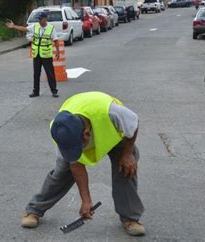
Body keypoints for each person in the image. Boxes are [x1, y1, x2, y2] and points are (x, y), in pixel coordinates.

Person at [21, 91, 146, 236]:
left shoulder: (112, 112)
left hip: (115, 136)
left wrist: (128, 153)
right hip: (78, 130)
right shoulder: (60, 130)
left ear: (86, 134)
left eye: (77, 148)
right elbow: (76, 165)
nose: (76, 153)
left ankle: (130, 218)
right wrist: (86, 200)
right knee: (62, 171)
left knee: (126, 168)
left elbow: (134, 123)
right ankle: (34, 210)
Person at [5, 12, 60, 98]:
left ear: (45, 19)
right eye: (38, 19)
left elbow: (56, 40)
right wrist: (14, 26)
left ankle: (54, 91)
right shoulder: (35, 26)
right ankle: (36, 92)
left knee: (50, 74)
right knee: (36, 74)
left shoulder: (51, 28)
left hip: (46, 55)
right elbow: (24, 29)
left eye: (41, 19)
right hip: (37, 55)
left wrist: (58, 52)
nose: (39, 20)